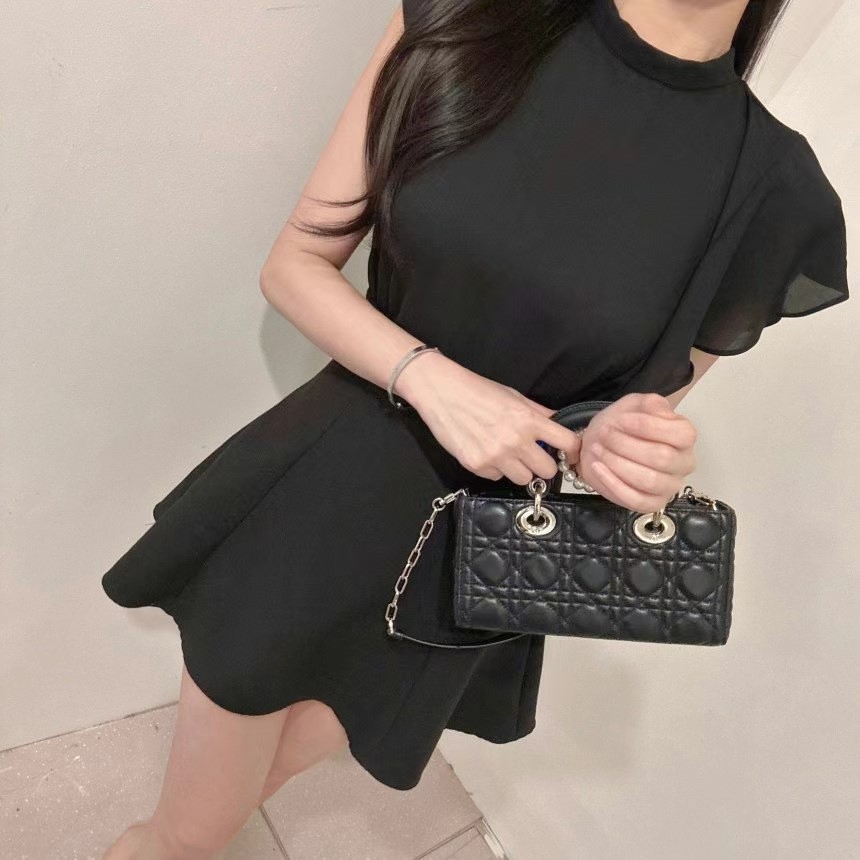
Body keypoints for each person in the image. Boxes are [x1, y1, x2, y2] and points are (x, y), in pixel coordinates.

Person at [101, 0, 850, 856]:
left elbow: (616, 422)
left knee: (248, 791)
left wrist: (624, 455)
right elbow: (296, 264)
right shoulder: (472, 20)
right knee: (186, 835)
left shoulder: (777, 193)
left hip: (470, 560)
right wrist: (431, 379)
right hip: (323, 492)